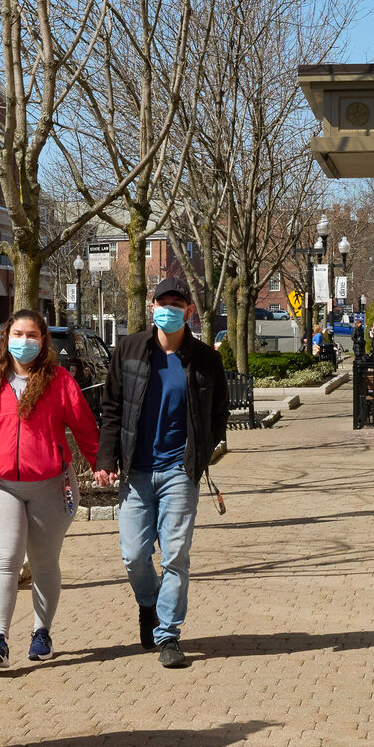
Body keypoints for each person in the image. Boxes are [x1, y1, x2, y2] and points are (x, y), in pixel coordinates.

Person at [93, 279, 228, 669]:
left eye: (177, 303)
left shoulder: (205, 359)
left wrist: (204, 449)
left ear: (189, 311)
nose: (169, 308)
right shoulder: (130, 350)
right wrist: (106, 458)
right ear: (152, 307)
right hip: (137, 469)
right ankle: (148, 604)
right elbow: (112, 407)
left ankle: (169, 634)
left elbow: (218, 411)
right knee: (134, 555)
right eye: (162, 302)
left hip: (178, 472)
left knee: (175, 557)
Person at [0, 310, 100, 668]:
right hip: (0, 485)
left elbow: (84, 427)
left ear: (43, 340)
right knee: (4, 561)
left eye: (32, 334)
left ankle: (41, 633)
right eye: (18, 333)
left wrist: (101, 465)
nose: (25, 341)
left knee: (43, 561)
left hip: (51, 484)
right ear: (6, 338)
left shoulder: (59, 380)